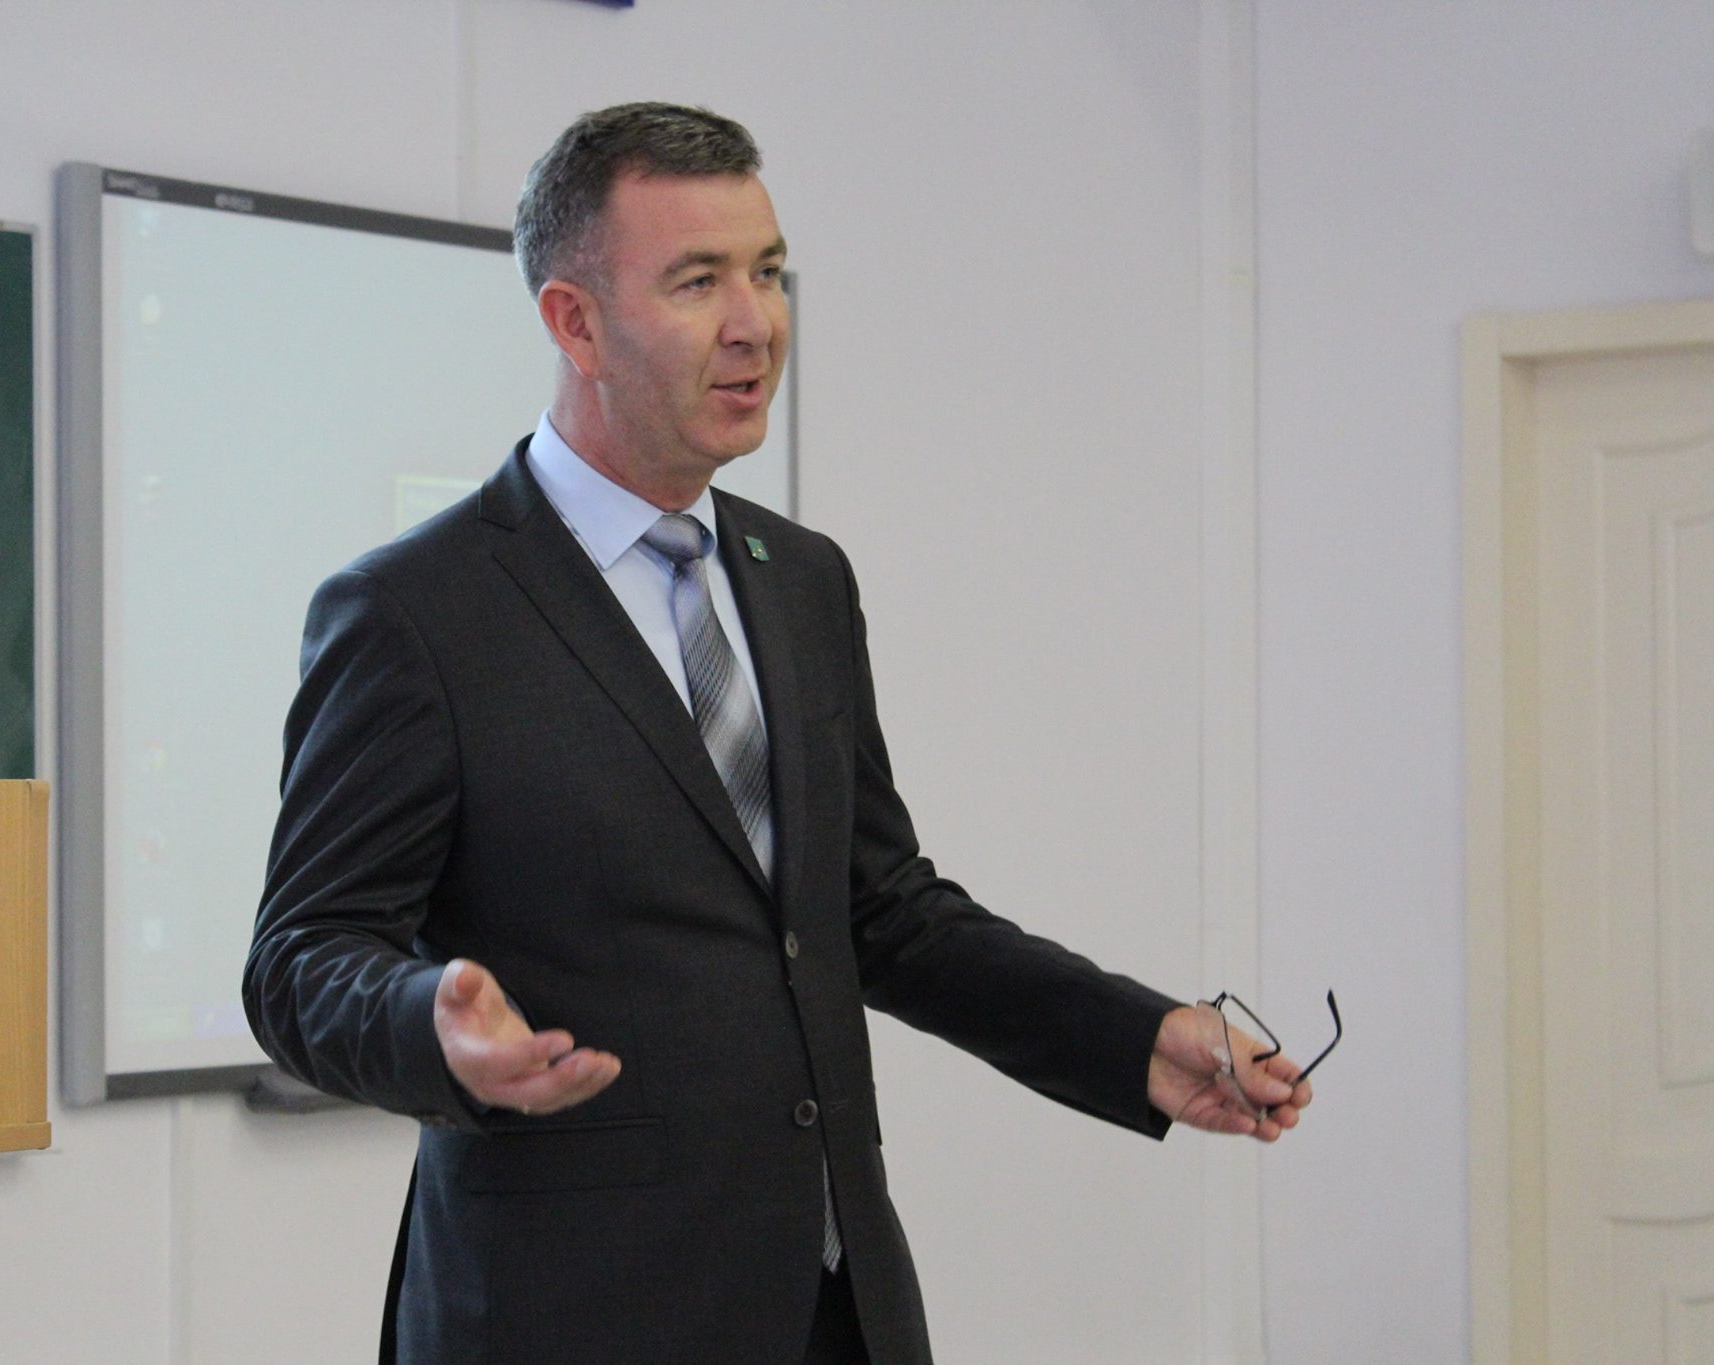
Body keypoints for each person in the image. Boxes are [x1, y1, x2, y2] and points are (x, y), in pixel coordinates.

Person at [244, 101, 1313, 1365]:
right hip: (565, 1316)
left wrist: (1129, 1037)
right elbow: (300, 959)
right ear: (573, 322)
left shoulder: (800, 578)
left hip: (831, 1307)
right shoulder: (416, 612)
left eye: (766, 271)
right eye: (697, 281)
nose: (755, 322)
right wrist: (428, 1019)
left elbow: (880, 911)